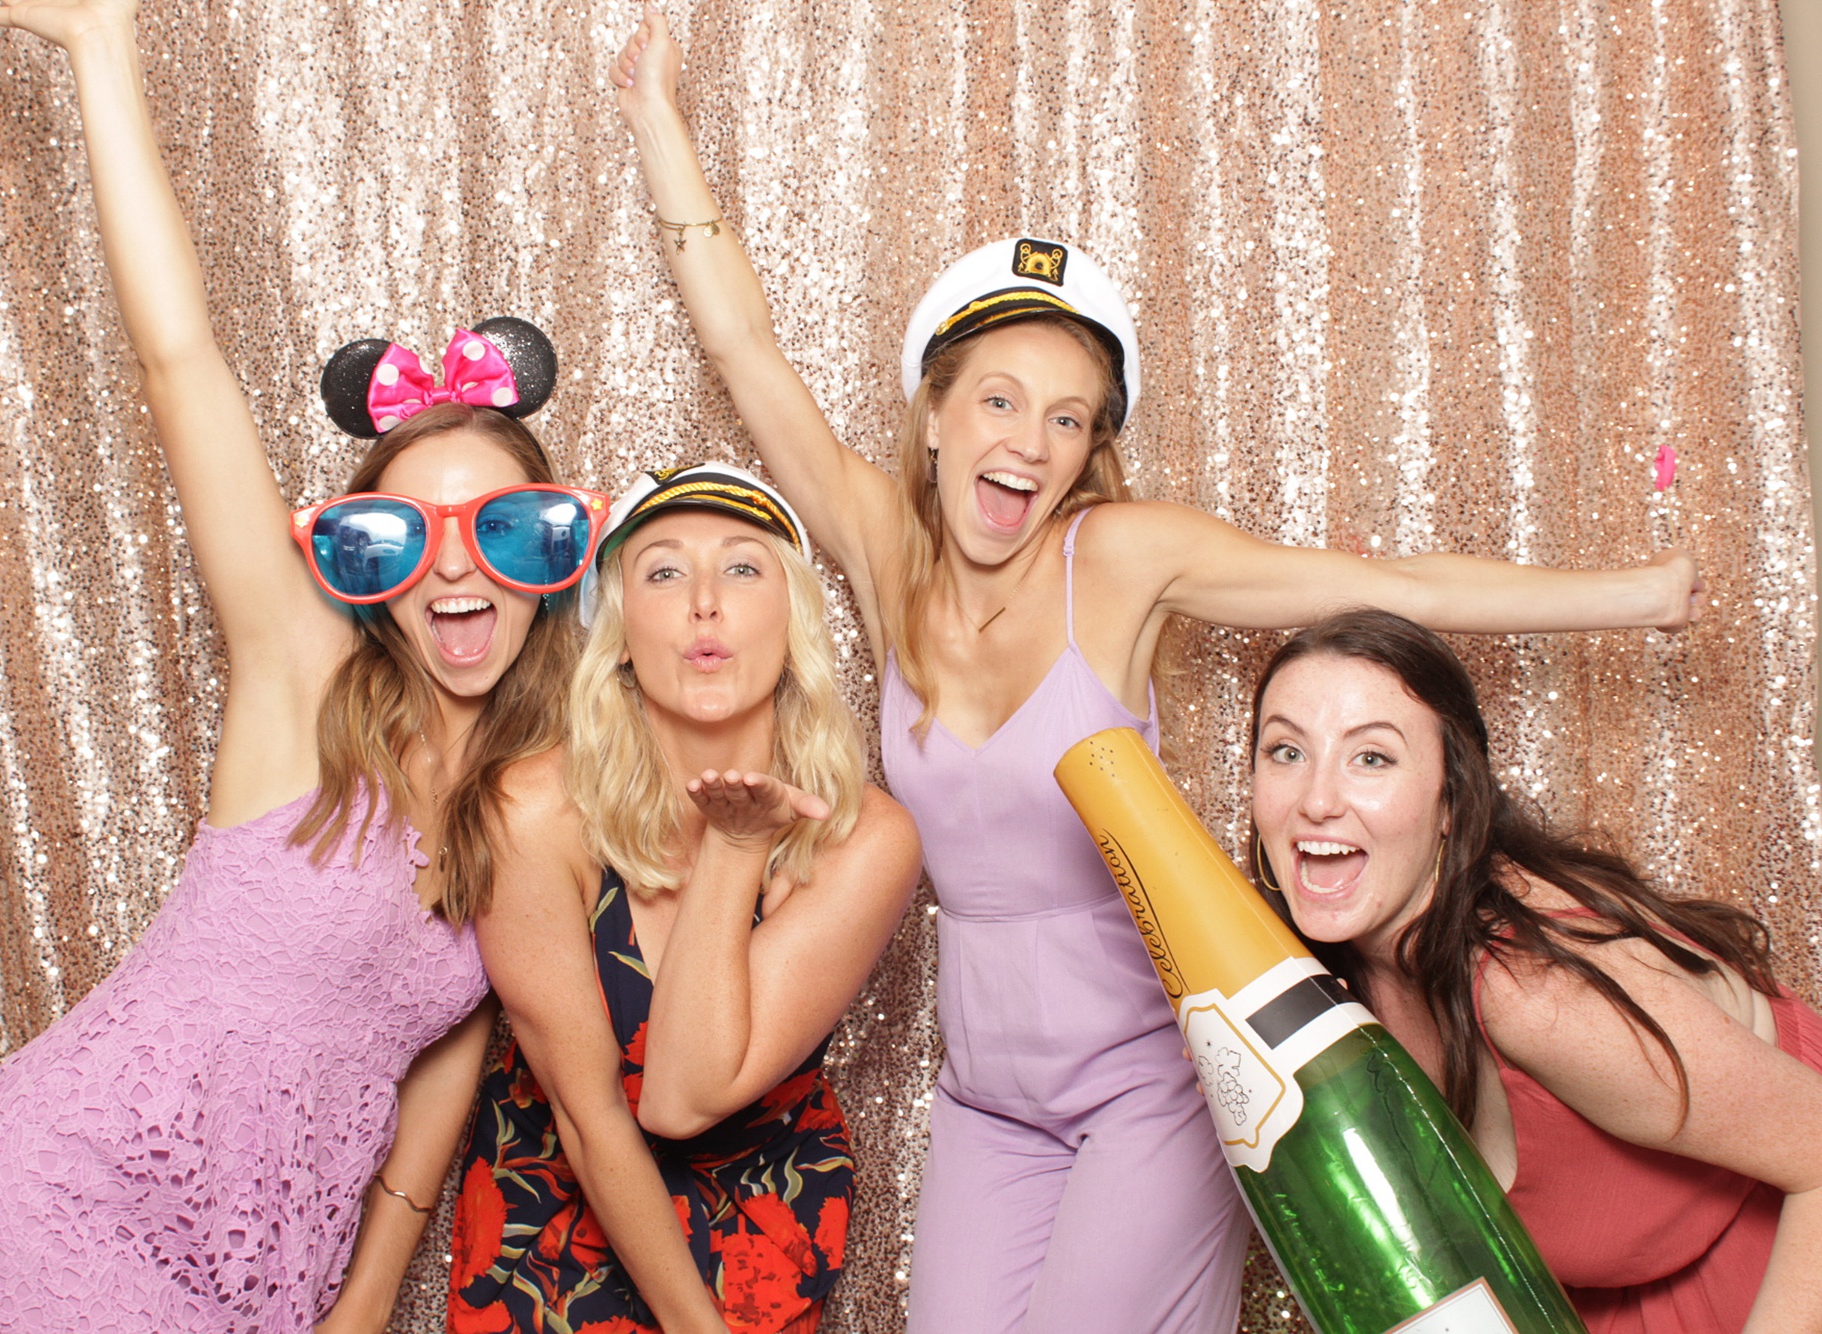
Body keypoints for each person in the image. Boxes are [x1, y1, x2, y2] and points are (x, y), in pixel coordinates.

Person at [608, 11, 1709, 1330]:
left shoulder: (1115, 560)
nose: (1031, 440)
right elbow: (748, 352)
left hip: (1153, 1074)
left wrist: (1632, 598)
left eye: (1070, 418)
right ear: (938, 412)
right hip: (986, 1095)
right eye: (1002, 399)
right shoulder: (886, 554)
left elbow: (1386, 589)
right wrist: (659, 126)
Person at [0, 2, 608, 1330]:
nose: (456, 569)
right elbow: (180, 360)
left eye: (498, 528)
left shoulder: (536, 789)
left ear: (549, 553)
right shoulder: (303, 682)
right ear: (359, 564)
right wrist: (101, 49)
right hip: (57, 1199)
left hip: (263, 1265)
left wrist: (367, 1302)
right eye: (403, 534)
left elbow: (441, 1064)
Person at [443, 464, 921, 1334]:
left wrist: (735, 848)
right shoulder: (534, 813)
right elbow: (595, 1118)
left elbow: (681, 1095)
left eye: (743, 568)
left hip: (760, 1222)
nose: (705, 601)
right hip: (557, 1227)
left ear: (794, 621)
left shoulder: (866, 838)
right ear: (619, 633)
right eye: (663, 571)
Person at [1248, 610, 1822, 1333]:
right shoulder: (1312, 980)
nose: (1317, 801)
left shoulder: (1538, 993)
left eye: (1372, 758)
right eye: (1285, 751)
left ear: (1451, 800)